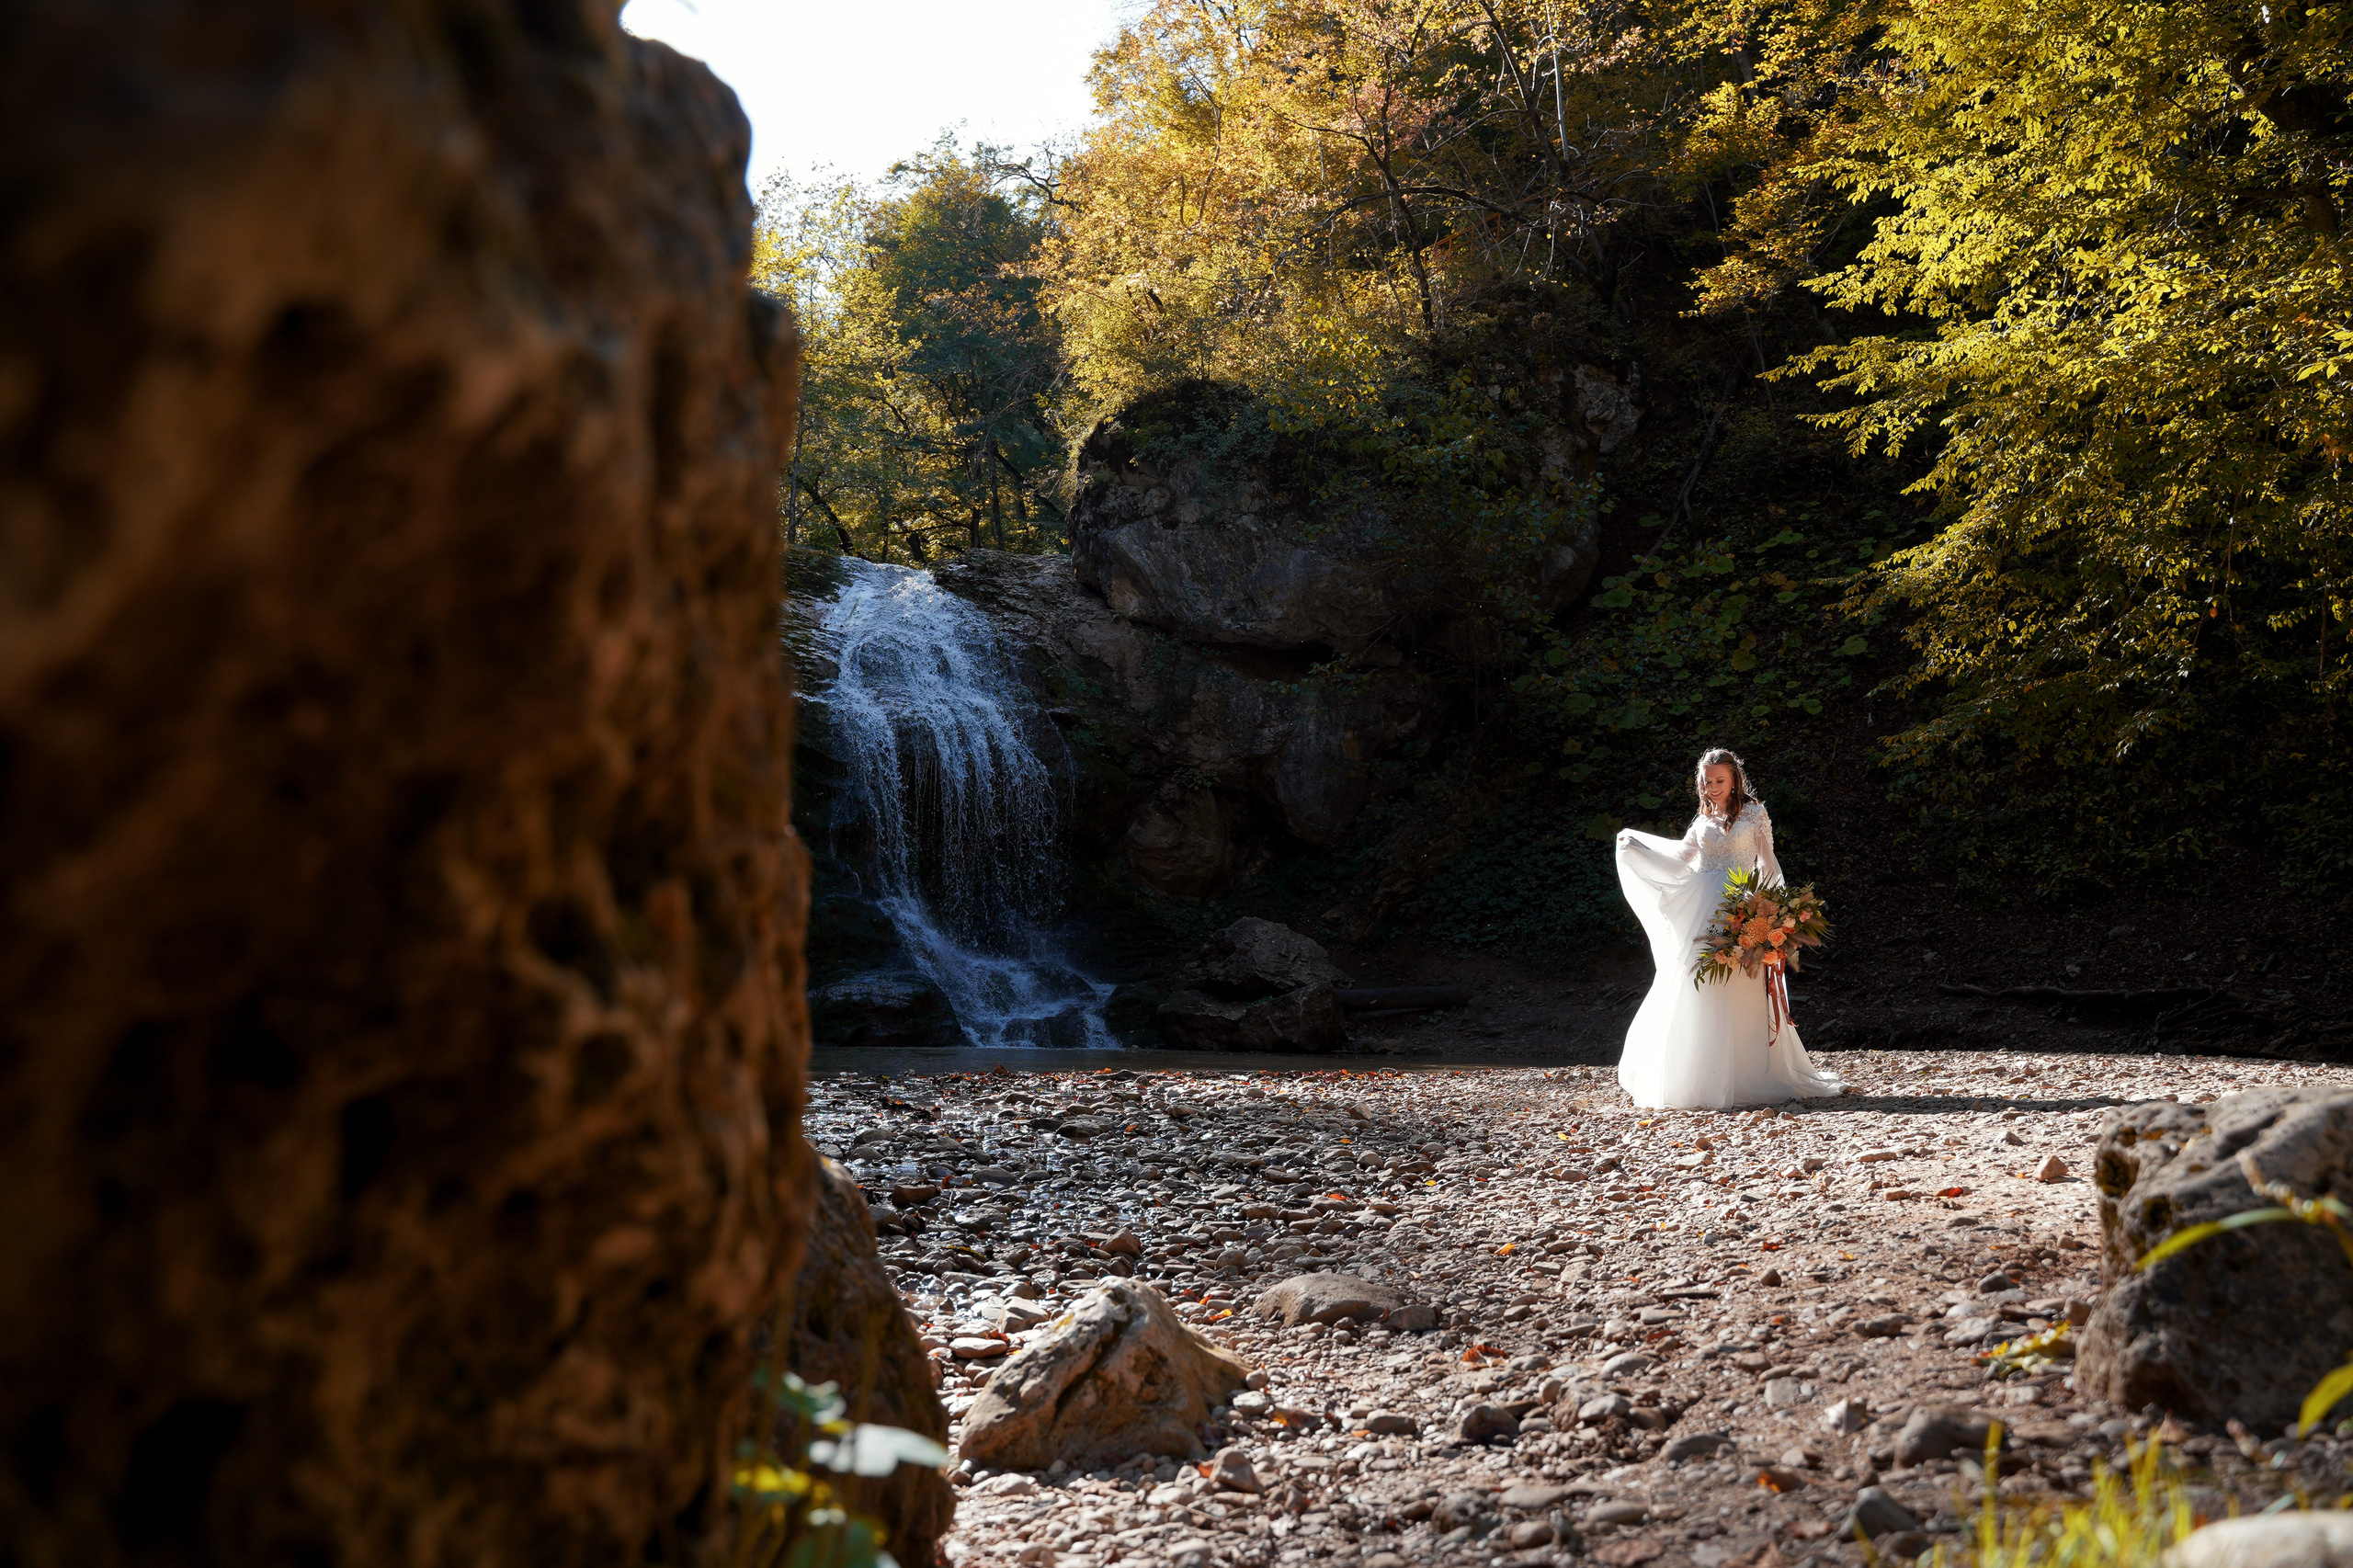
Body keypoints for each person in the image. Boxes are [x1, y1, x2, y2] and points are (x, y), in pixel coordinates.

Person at [1612, 748, 1843, 1109]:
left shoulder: (1754, 813)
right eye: (1707, 781)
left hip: (1741, 906)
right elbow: (1679, 861)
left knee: (1741, 983)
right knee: (1698, 982)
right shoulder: (1702, 820)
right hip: (1703, 912)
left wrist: (1773, 909)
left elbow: (1768, 864)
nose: (1713, 787)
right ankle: (1699, 1078)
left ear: (1735, 780)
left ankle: (1746, 1076)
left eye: (1720, 780)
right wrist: (1638, 849)